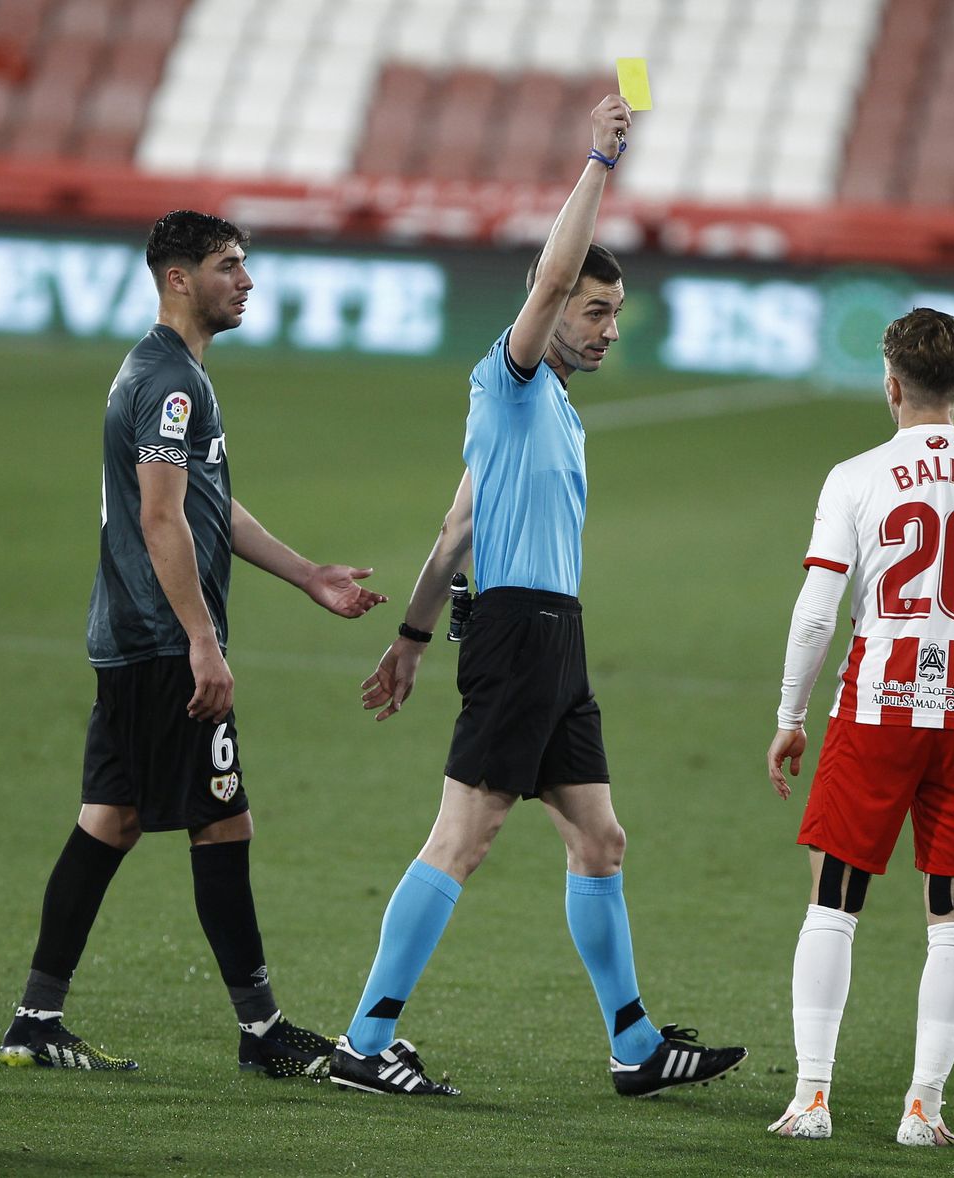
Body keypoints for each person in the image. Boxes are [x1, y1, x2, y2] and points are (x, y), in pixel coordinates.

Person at [331, 96, 747, 1099]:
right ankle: (364, 1039)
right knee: (462, 838)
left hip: (552, 639)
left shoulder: (545, 413)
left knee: (599, 838)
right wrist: (601, 158)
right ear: (548, 307)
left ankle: (635, 1044)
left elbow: (455, 528)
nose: (609, 328)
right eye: (595, 311)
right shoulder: (511, 379)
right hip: (520, 632)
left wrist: (412, 637)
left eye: (613, 313)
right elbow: (556, 266)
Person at [0, 210, 386, 1077]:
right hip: (160, 642)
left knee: (114, 818)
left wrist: (307, 574)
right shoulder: (170, 381)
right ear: (179, 278)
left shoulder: (170, 374)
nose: (246, 281)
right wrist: (202, 643)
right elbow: (161, 515)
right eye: (229, 265)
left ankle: (35, 1018)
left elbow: (208, 503)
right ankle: (262, 1033)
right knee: (221, 821)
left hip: (134, 639)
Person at [764, 308, 954, 1145]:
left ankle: (811, 1098)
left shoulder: (856, 475)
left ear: (892, 384)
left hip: (875, 712)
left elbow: (815, 611)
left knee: (834, 902)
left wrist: (792, 716)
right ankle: (923, 1107)